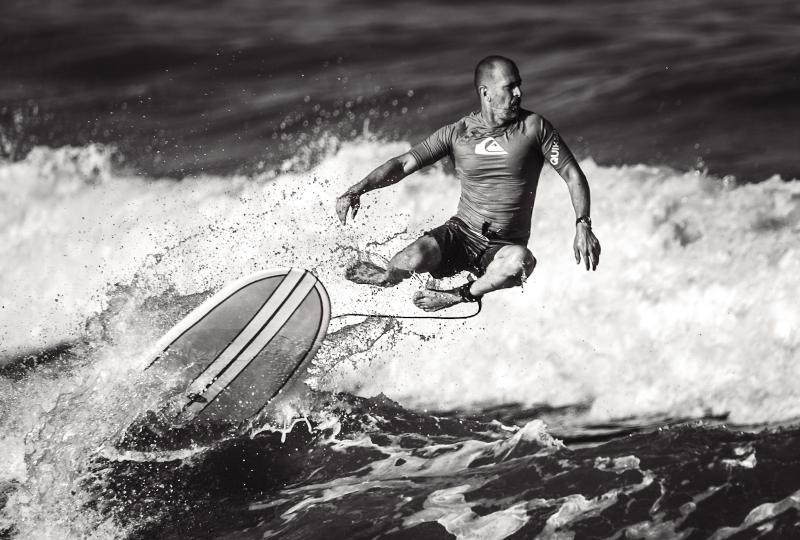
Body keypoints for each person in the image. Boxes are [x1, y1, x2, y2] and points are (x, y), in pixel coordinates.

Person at [335, 55, 601, 312]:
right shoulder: (457, 133)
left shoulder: (534, 128)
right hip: (461, 233)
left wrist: (583, 224)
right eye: (510, 87)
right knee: (407, 261)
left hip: (503, 246)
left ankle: (457, 295)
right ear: (486, 93)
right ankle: (378, 277)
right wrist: (358, 189)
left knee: (521, 263)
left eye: (519, 85)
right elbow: (403, 164)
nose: (519, 93)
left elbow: (572, 174)